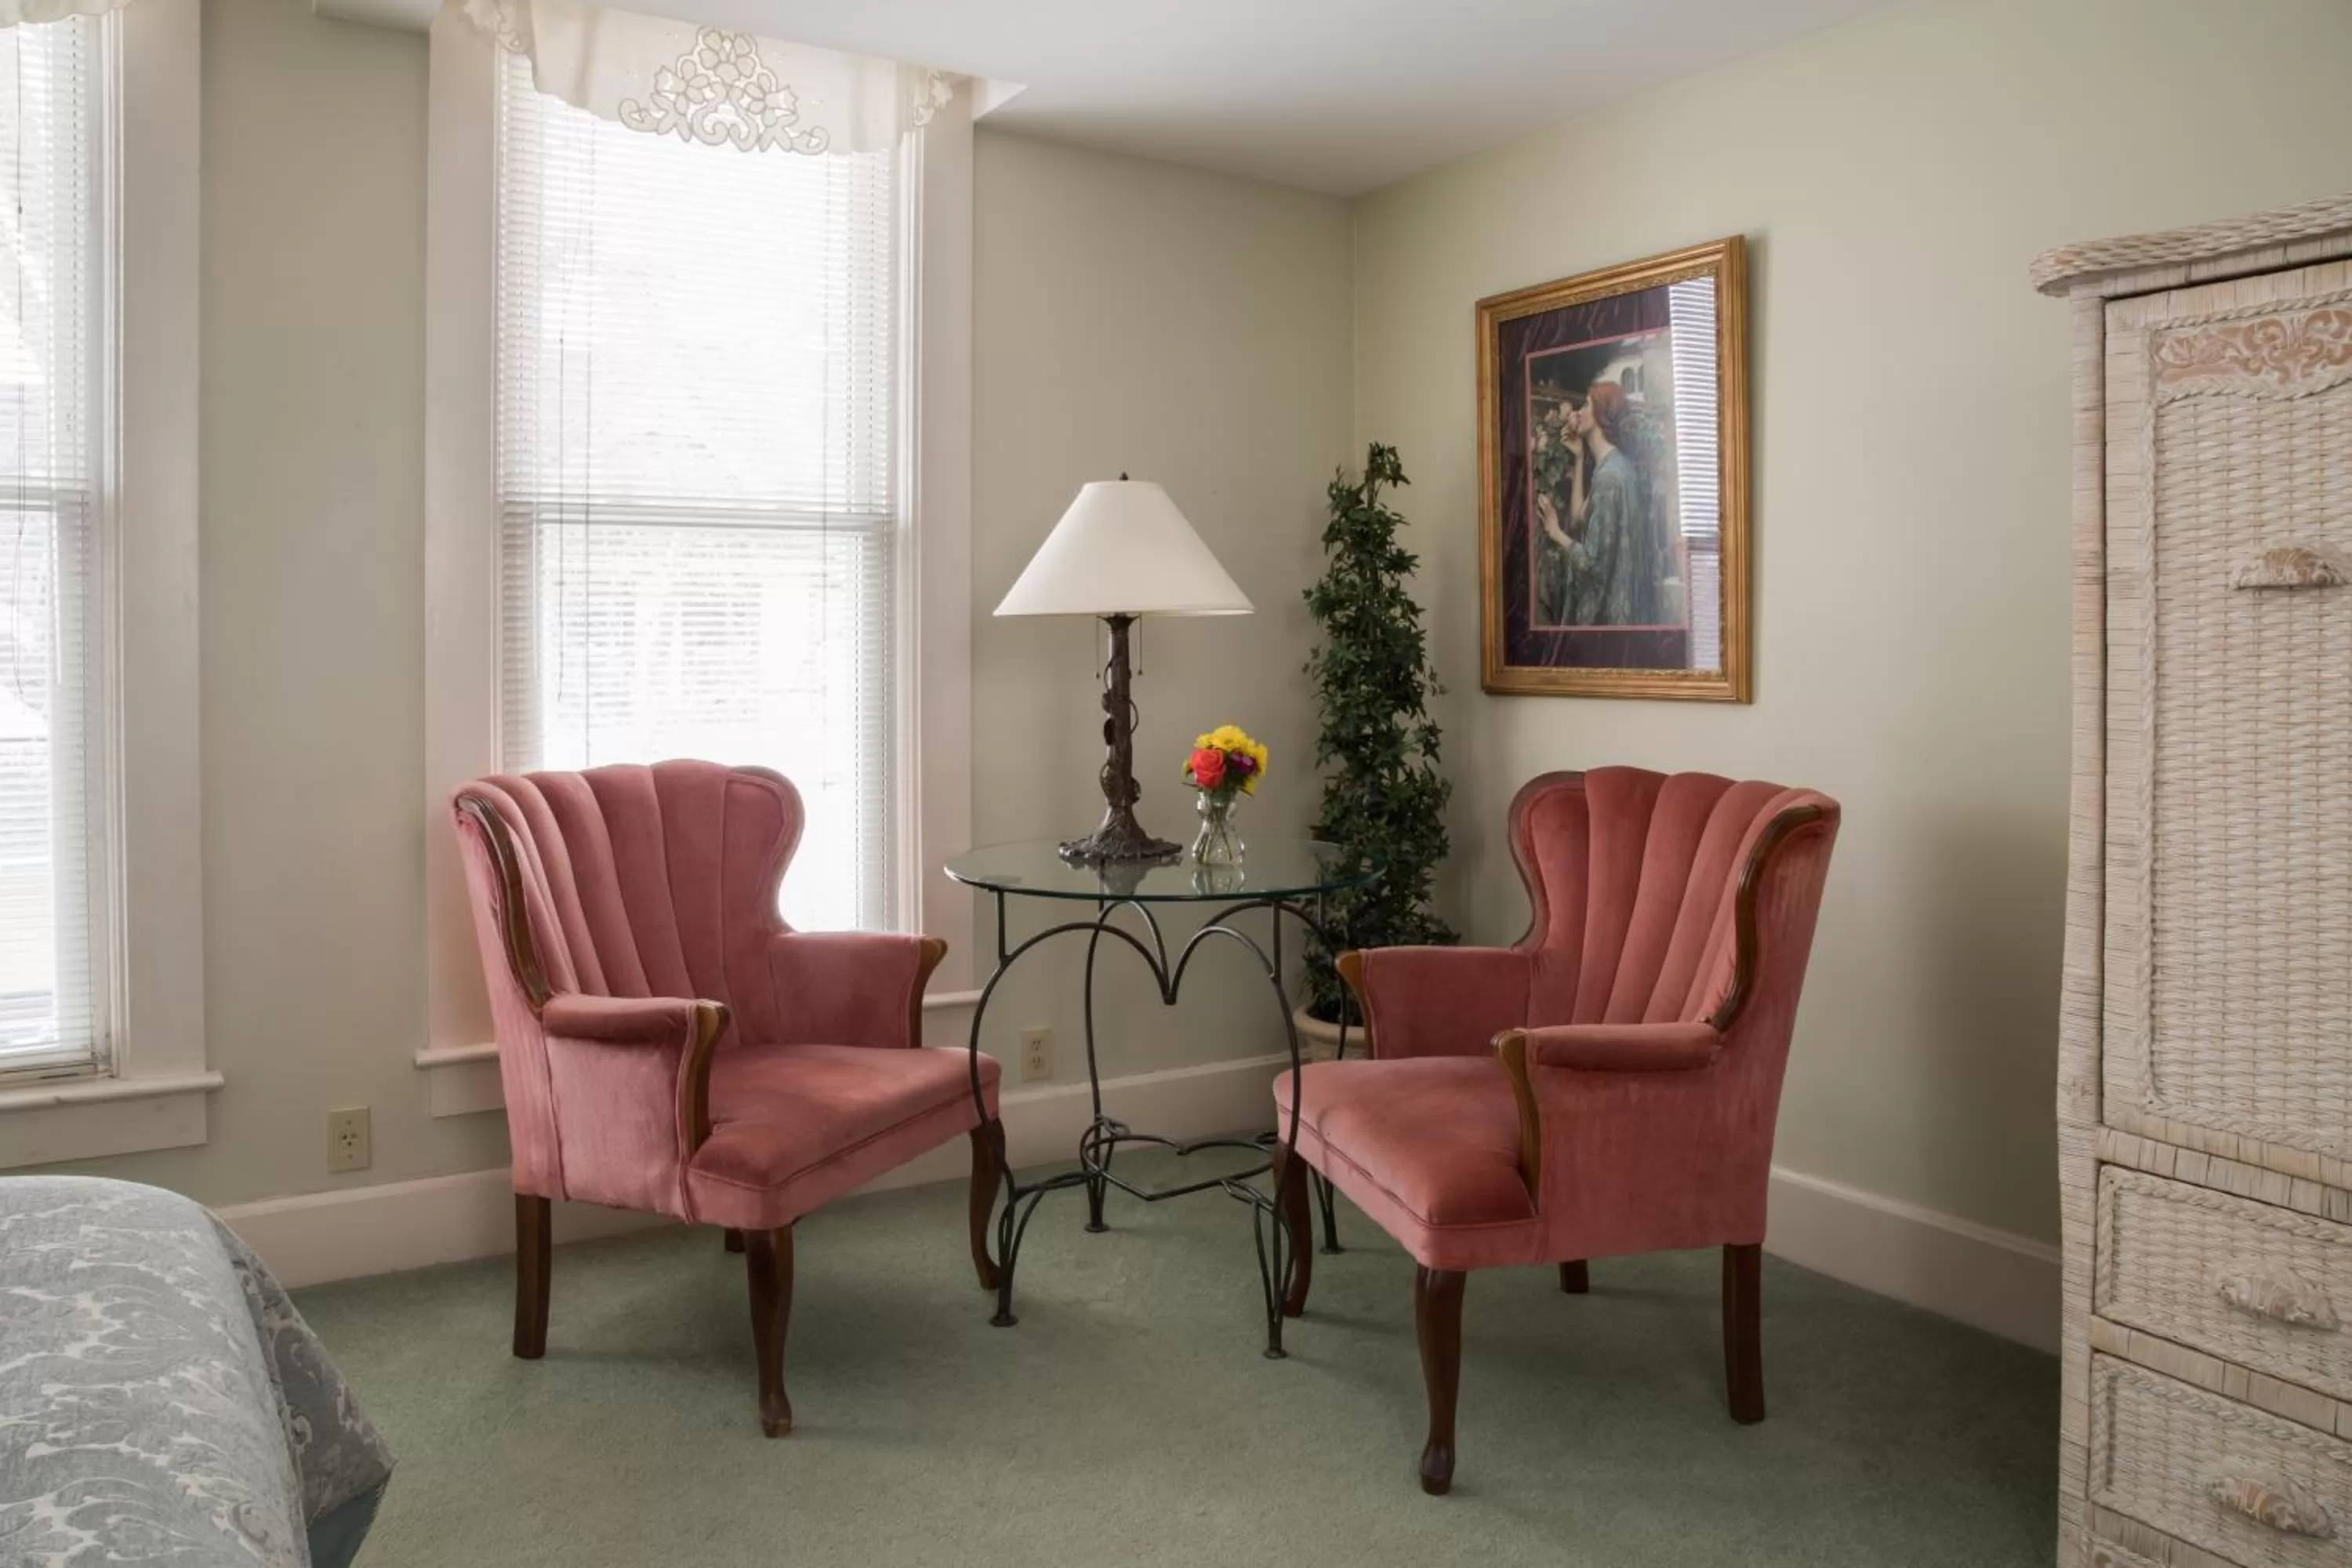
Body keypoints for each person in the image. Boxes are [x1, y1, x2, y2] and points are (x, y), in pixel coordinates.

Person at [1537, 381, 1656, 626]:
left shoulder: (1609, 478)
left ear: (1601, 414)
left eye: (1586, 404)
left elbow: (1593, 565)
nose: (1577, 412)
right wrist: (1580, 458)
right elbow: (1580, 517)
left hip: (1612, 621)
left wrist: (1556, 533)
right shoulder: (1615, 465)